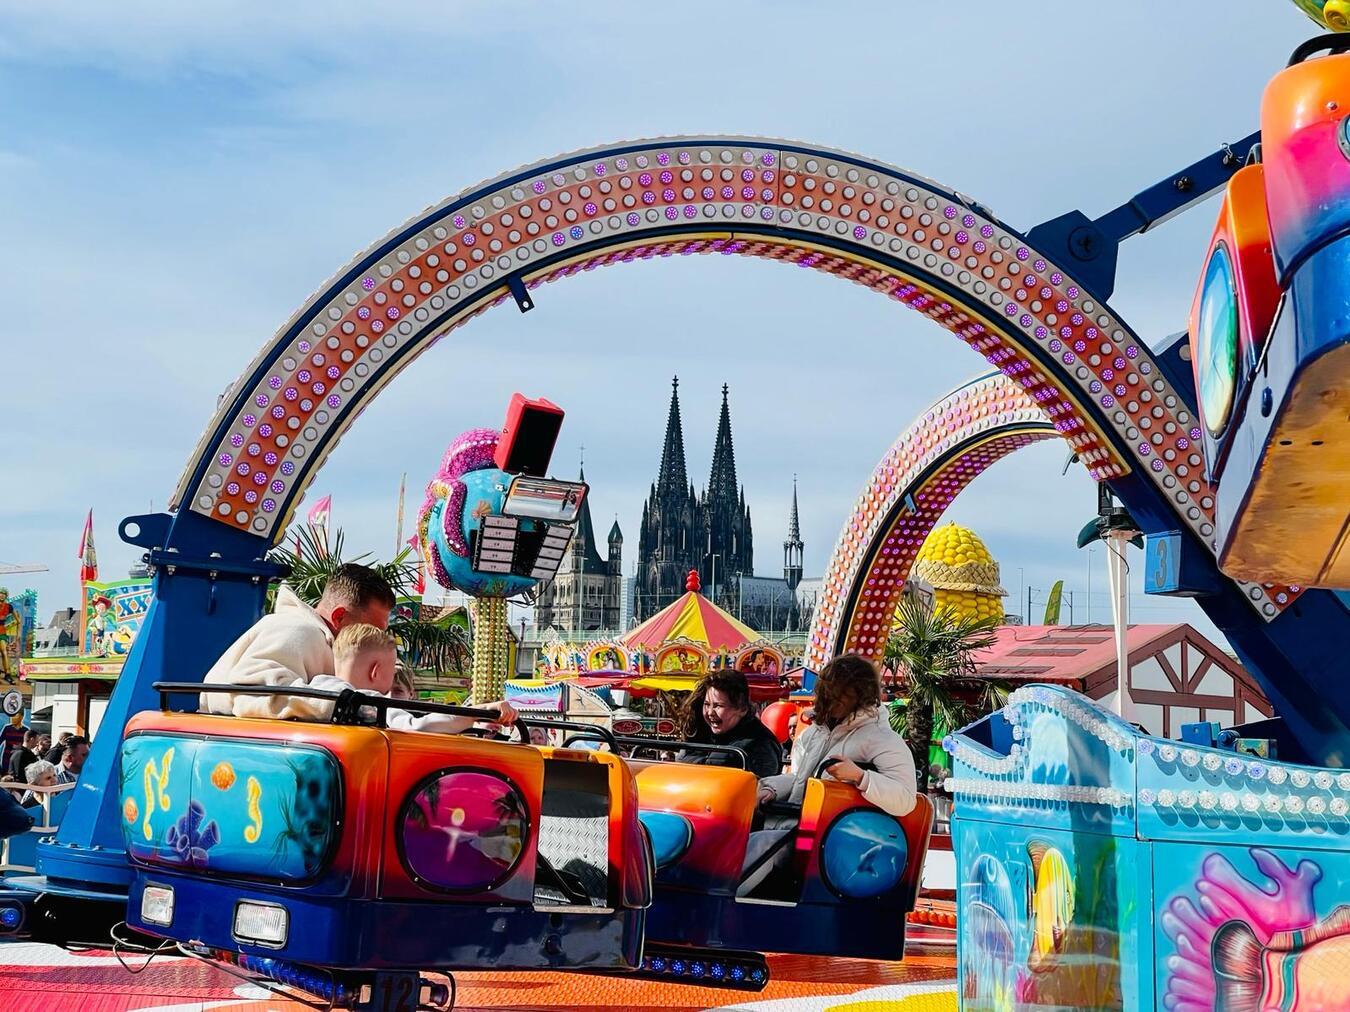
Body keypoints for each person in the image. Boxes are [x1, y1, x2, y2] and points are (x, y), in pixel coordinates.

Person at [202, 563, 396, 718]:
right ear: (338, 617)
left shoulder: (320, 639)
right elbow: (251, 695)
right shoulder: (299, 630)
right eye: (371, 630)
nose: (376, 638)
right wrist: (345, 707)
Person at [757, 654, 916, 818]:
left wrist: (861, 777)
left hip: (840, 835)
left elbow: (906, 800)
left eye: (836, 696)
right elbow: (800, 780)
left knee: (756, 843)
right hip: (799, 825)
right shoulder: (814, 732)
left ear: (859, 696)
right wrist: (772, 789)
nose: (827, 702)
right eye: (824, 693)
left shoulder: (883, 740)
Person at [303, 624, 518, 733]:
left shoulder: (314, 688)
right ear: (376, 672)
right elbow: (417, 727)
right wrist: (477, 713)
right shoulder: (371, 704)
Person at [677, 671, 783, 779]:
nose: (710, 712)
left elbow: (762, 787)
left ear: (742, 709)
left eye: (718, 706)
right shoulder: (697, 733)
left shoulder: (760, 744)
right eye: (707, 704)